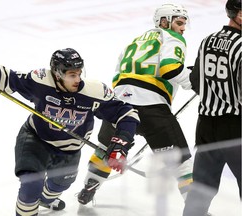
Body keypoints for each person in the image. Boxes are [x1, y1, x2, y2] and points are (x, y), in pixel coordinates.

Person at [0, 48, 140, 216]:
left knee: (60, 184)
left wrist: (120, 142)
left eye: (79, 73)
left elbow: (127, 113)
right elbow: (10, 78)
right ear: (57, 73)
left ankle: (46, 199)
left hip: (70, 148)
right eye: (71, 75)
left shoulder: (94, 91)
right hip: (35, 138)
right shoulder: (41, 81)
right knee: (31, 184)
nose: (77, 79)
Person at [78, 3, 194, 205]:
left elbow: (117, 75)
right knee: (180, 162)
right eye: (179, 22)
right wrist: (196, 82)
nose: (183, 28)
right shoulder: (174, 38)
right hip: (152, 109)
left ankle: (89, 186)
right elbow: (169, 68)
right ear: (164, 22)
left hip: (120, 105)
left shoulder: (134, 41)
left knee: (106, 149)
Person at [183, 0, 242, 215]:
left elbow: (196, 82)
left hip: (206, 126)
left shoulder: (207, 40)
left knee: (201, 188)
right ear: (236, 14)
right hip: (236, 129)